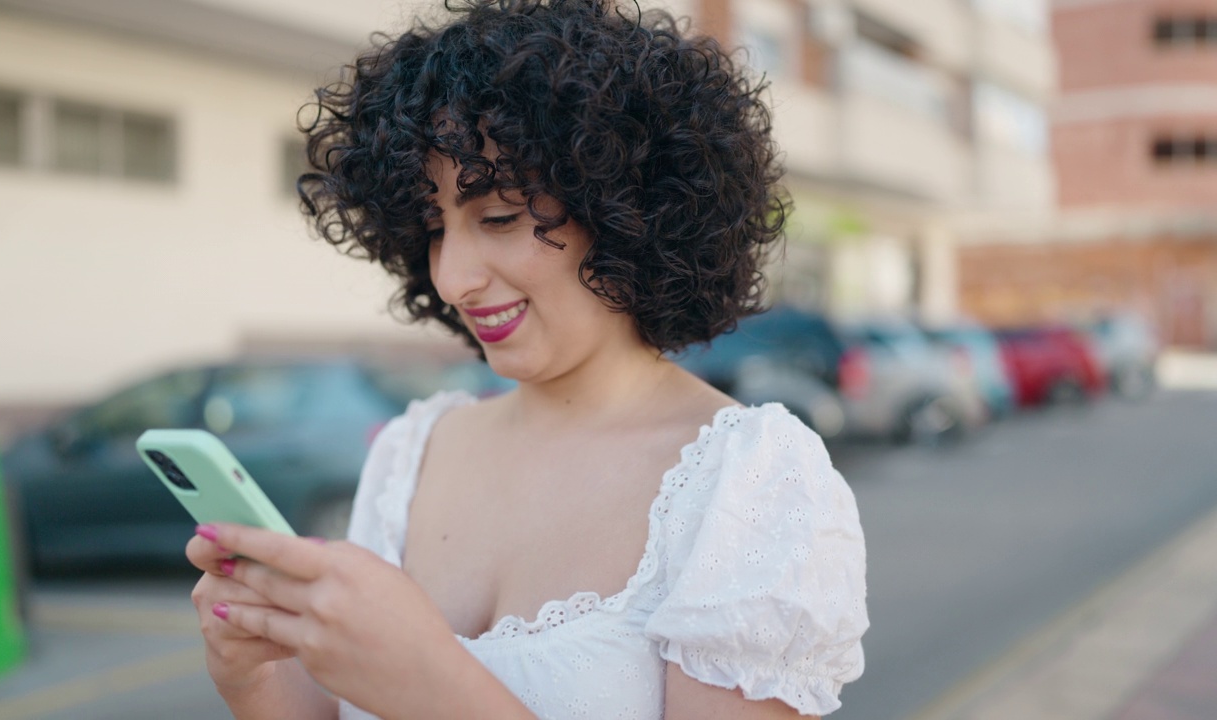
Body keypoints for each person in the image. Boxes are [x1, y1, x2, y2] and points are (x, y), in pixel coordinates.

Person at [185, 0, 868, 717]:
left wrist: (431, 686)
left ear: (625, 209)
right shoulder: (410, 455)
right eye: (432, 228)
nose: (453, 277)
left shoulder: (751, 482)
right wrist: (256, 678)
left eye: (500, 218)